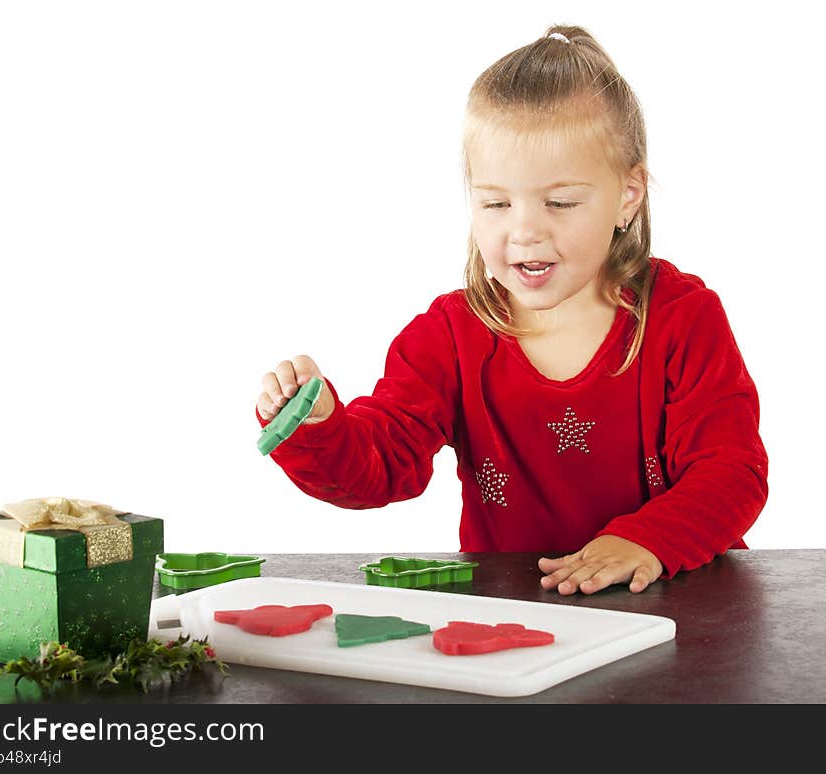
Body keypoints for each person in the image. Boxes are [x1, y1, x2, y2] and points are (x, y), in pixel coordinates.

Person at [255, 25, 768, 595]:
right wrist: (322, 426)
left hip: (677, 604)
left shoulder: (683, 317)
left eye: (560, 202)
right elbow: (379, 467)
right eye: (496, 202)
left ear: (628, 193)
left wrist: (648, 538)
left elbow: (731, 472)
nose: (524, 231)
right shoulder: (448, 336)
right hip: (517, 621)